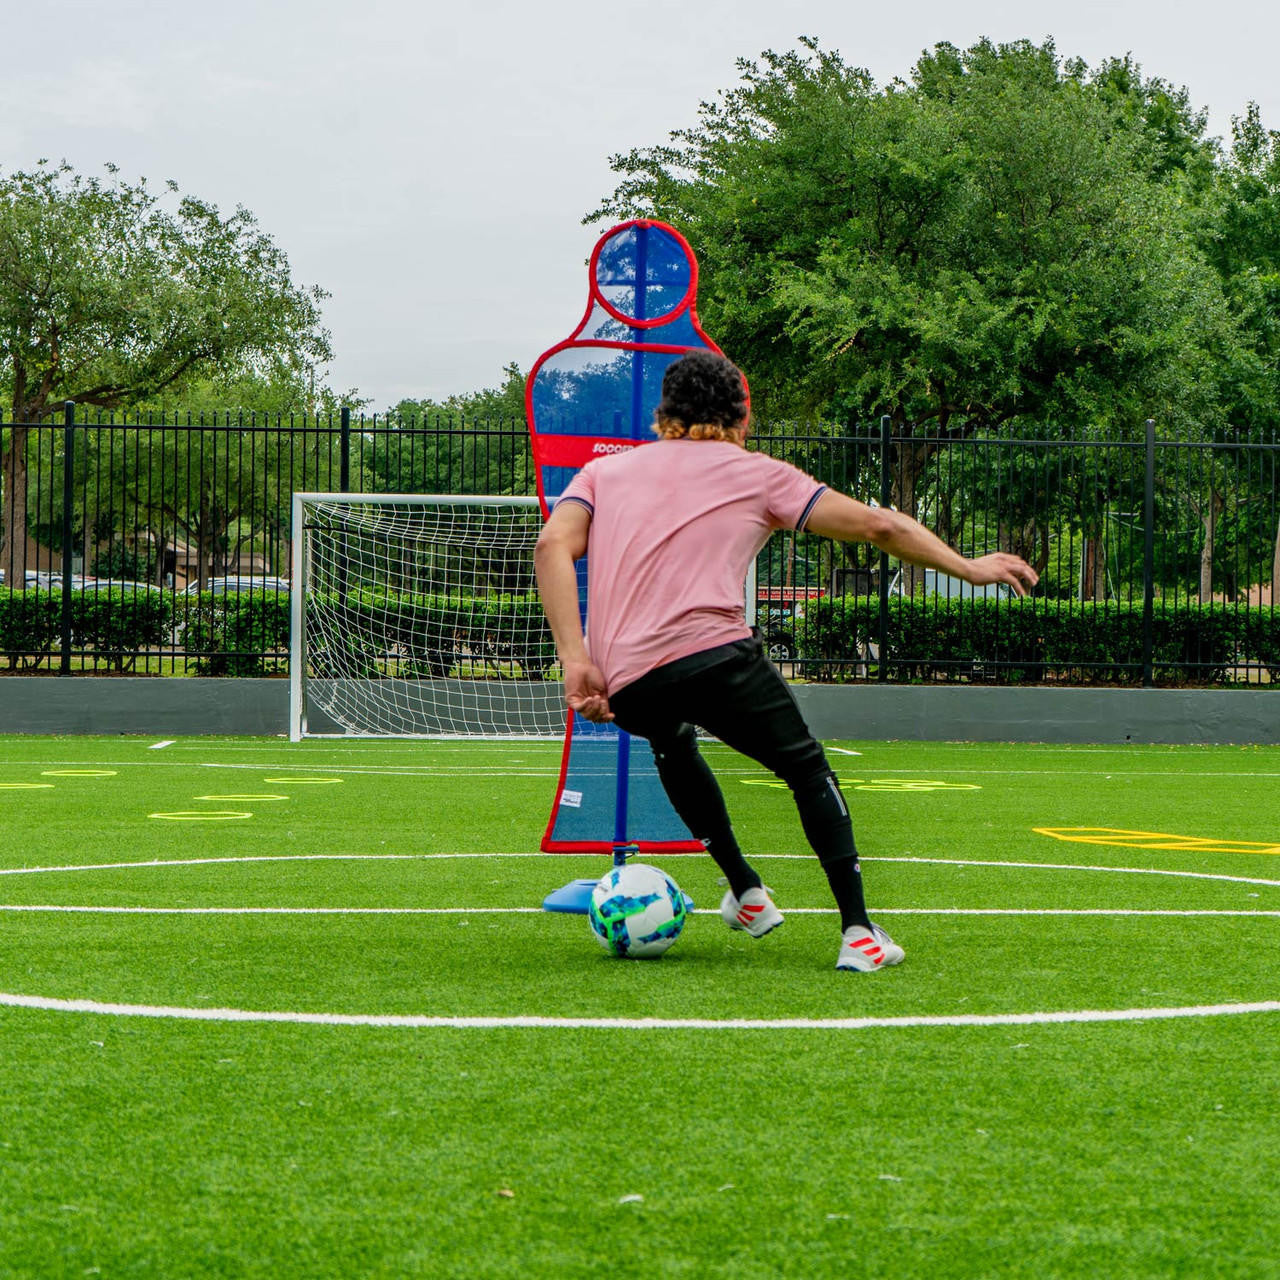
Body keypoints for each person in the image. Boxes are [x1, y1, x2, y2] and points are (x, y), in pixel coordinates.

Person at [534, 350, 1038, 972]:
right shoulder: (757, 473)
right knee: (806, 770)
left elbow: (553, 544)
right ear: (741, 417)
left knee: (670, 740)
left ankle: (746, 891)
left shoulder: (602, 474)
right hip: (716, 657)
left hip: (628, 681)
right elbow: (880, 528)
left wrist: (575, 659)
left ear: (664, 415)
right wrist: (969, 567)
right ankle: (859, 934)